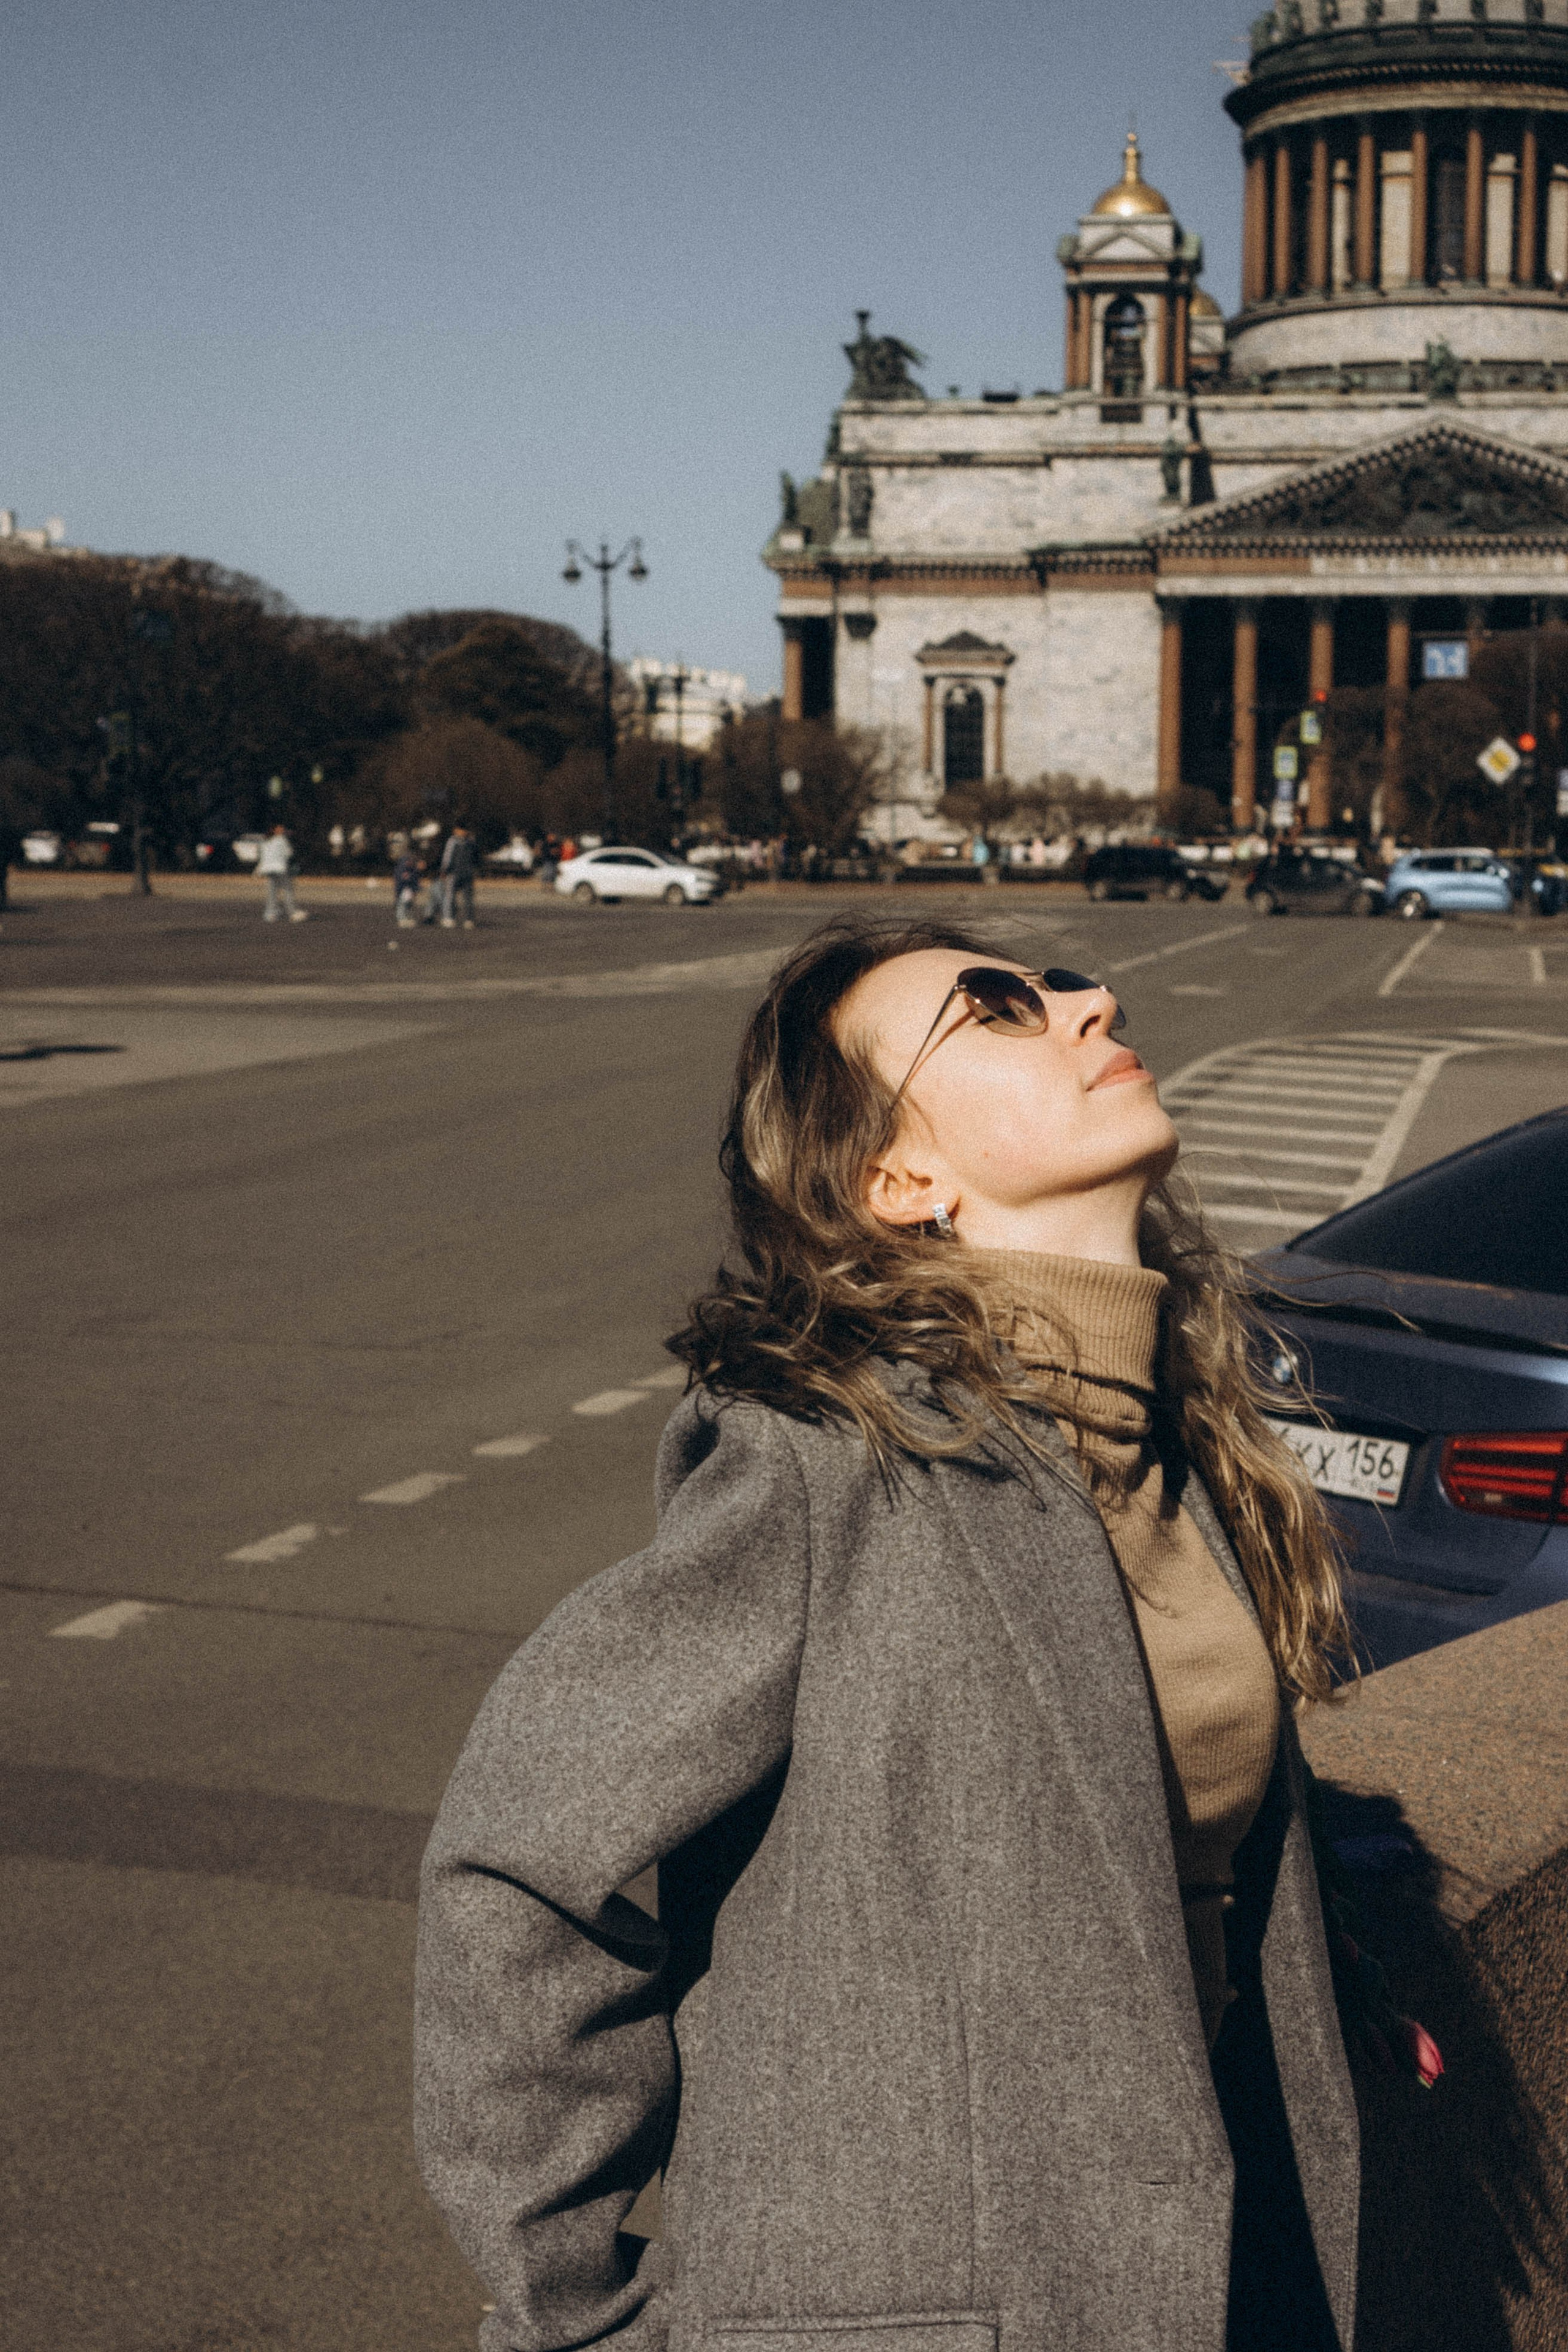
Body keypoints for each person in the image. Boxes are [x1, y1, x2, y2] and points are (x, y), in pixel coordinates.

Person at [415, 915, 1361, 2352]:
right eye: (997, 1009)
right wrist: (572, 2316)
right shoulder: (820, 1466)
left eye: (1060, 984)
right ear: (898, 1177)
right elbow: (521, 1866)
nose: (1088, 1001)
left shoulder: (1174, 1446)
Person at [256, 824, 306, 922]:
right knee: (288, 890)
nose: (283, 829)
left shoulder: (265, 840)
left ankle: (270, 914)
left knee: (272, 891)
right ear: (275, 830)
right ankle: (293, 913)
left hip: (267, 869)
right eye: (280, 828)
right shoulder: (281, 840)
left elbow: (261, 854)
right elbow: (289, 853)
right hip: (280, 868)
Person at [441, 824, 480, 928]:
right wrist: (446, 870)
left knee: (468, 898)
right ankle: (450, 917)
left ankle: (469, 919)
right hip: (454, 873)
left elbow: (476, 857)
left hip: (467, 873)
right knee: (451, 897)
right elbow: (448, 857)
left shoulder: (471, 842)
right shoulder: (453, 842)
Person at [393, 845, 423, 928]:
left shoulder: (411, 861)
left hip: (409, 886)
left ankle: (406, 917)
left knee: (409, 903)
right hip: (405, 887)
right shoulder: (406, 861)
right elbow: (405, 877)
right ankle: (402, 918)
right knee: (403, 902)